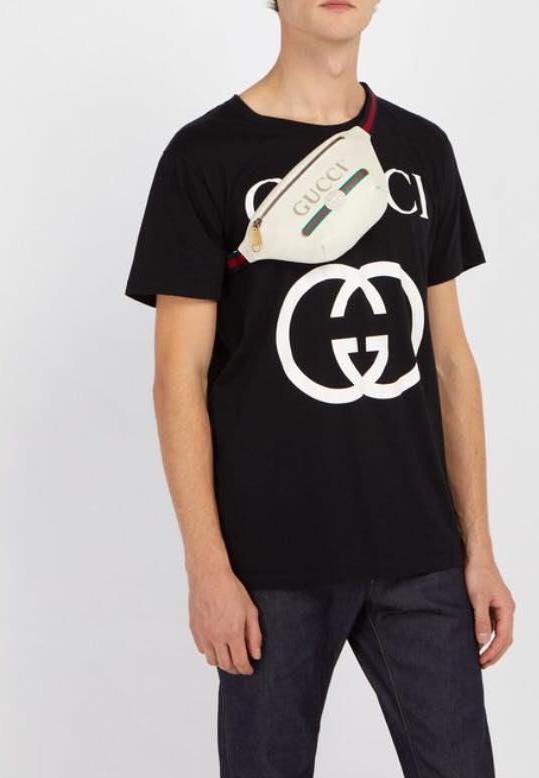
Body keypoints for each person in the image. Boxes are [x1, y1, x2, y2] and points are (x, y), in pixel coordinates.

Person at [125, 1, 515, 775]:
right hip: (269, 568)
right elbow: (178, 380)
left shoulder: (421, 150)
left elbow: (449, 361)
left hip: (420, 555)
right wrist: (207, 569)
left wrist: (478, 551)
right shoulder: (204, 157)